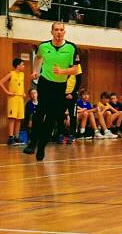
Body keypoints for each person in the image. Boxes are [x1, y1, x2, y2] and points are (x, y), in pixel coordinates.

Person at [24, 22, 81, 161]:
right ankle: (32, 143)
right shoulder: (44, 46)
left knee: (50, 118)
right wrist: (36, 71)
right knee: (39, 113)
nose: (59, 32)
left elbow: (75, 69)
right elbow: (38, 58)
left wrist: (62, 71)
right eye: (56, 30)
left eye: (61, 30)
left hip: (59, 87)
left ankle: (42, 146)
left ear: (64, 32)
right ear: (52, 32)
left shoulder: (71, 48)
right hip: (45, 83)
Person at [0, 58, 27, 145]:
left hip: (20, 99)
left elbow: (20, 85)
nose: (23, 66)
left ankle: (16, 136)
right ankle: (10, 138)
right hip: (13, 99)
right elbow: (0, 82)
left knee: (19, 119)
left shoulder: (22, 74)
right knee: (12, 118)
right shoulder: (11, 73)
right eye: (22, 64)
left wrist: (23, 93)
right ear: (18, 65)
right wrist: (7, 92)